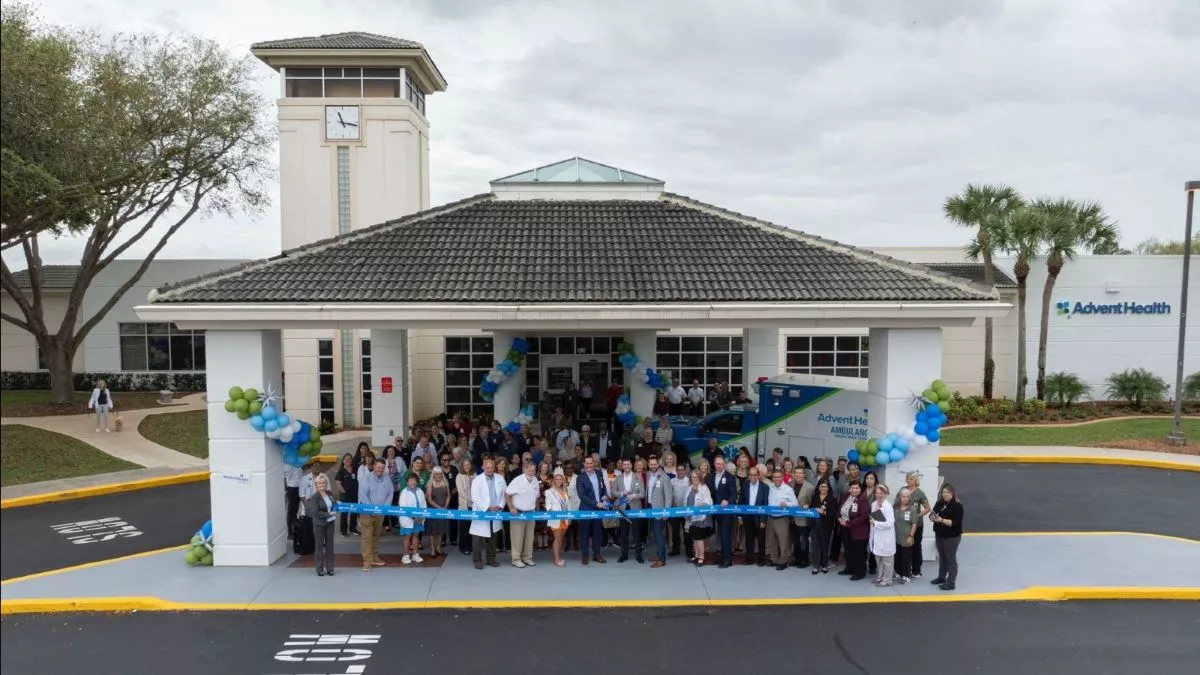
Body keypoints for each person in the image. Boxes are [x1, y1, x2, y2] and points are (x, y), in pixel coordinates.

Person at [469, 458, 506, 570]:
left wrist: (500, 506)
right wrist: (487, 508)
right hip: (482, 512)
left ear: (494, 468)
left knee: (493, 537)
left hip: (495, 512)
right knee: (477, 539)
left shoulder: (500, 479)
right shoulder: (477, 480)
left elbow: (505, 494)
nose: (489, 470)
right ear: (483, 468)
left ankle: (491, 559)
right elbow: (475, 497)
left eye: (491, 467)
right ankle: (477, 560)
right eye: (487, 468)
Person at [358, 459, 393, 571]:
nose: (380, 470)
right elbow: (363, 495)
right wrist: (372, 509)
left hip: (380, 512)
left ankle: (374, 557)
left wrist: (384, 509)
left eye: (382, 468)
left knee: (376, 535)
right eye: (378, 467)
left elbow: (390, 493)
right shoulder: (366, 478)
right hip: (367, 512)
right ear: (374, 466)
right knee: (367, 537)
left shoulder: (387, 478)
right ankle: (367, 561)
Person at [505, 461, 541, 568]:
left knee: (529, 537)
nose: (531, 472)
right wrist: (511, 507)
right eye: (529, 470)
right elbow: (507, 493)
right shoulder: (518, 480)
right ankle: (516, 559)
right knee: (517, 537)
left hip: (531, 513)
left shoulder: (535, 480)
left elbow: (536, 497)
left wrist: (537, 510)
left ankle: (527, 558)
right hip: (518, 513)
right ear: (525, 469)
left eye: (533, 470)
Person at [930, 484, 965, 591]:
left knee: (950, 558)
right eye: (943, 492)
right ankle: (941, 577)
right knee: (942, 557)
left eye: (947, 492)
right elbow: (933, 513)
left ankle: (951, 582)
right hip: (939, 534)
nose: (945, 494)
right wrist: (932, 517)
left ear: (952, 493)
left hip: (951, 537)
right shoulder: (939, 503)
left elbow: (955, 523)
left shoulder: (958, 506)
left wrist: (941, 520)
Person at [576, 455, 609, 565]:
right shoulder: (580, 478)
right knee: (584, 534)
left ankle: (597, 555)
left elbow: (603, 488)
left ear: (594, 464)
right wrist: (596, 503)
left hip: (598, 510)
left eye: (591, 463)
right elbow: (582, 496)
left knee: (597, 533)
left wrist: (604, 496)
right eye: (587, 463)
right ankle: (585, 555)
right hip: (586, 509)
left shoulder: (599, 474)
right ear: (584, 464)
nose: (589, 465)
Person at [613, 458, 646, 564]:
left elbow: (643, 493)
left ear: (631, 465)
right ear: (622, 466)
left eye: (628, 464)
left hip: (635, 507)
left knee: (636, 532)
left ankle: (638, 555)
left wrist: (633, 496)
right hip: (623, 508)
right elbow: (613, 492)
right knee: (623, 533)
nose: (626, 466)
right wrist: (622, 493)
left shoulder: (638, 478)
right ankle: (624, 555)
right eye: (624, 464)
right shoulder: (618, 478)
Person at [900, 471, 932, 578]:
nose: (909, 481)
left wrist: (916, 515)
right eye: (907, 478)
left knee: (916, 547)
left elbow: (927, 508)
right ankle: (905, 569)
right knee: (905, 546)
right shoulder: (903, 490)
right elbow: (897, 503)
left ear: (916, 480)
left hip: (917, 525)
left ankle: (916, 570)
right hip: (905, 524)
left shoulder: (920, 493)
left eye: (911, 479)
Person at [707, 456, 737, 568]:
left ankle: (727, 560)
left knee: (725, 535)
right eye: (717, 463)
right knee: (720, 535)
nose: (719, 466)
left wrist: (728, 501)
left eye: (721, 464)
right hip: (716, 511)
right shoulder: (711, 477)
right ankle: (723, 557)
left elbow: (734, 494)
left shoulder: (730, 477)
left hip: (726, 511)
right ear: (714, 464)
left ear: (724, 464)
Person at [305, 473, 338, 577]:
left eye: (323, 483)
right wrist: (328, 514)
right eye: (319, 483)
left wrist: (338, 505)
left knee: (330, 546)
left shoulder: (329, 493)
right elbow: (315, 512)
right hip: (319, 524)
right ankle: (319, 569)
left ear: (326, 483)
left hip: (330, 523)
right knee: (319, 547)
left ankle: (330, 568)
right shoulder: (314, 497)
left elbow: (333, 505)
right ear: (316, 485)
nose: (322, 485)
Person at [766, 469, 798, 571]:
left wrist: (787, 504)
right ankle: (774, 559)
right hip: (770, 517)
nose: (776, 479)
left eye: (778, 477)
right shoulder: (770, 486)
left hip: (782, 518)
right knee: (772, 540)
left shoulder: (788, 489)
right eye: (774, 477)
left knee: (783, 541)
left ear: (782, 477)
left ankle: (783, 561)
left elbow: (796, 504)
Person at [838, 481, 870, 581]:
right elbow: (839, 509)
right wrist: (839, 518)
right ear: (849, 488)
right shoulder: (845, 496)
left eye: (857, 488)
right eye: (852, 488)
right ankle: (849, 568)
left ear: (860, 489)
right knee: (848, 550)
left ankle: (860, 573)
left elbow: (863, 516)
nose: (854, 490)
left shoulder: (863, 499)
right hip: (845, 529)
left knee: (858, 552)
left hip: (858, 531)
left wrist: (848, 523)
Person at [644, 455, 672, 568]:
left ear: (658, 465)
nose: (653, 466)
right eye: (651, 464)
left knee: (659, 534)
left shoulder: (665, 477)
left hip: (660, 510)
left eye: (655, 464)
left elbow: (669, 497)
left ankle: (662, 559)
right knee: (655, 533)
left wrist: (666, 512)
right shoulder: (649, 474)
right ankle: (658, 554)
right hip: (650, 507)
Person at [739, 465, 770, 566]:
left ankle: (761, 560)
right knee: (749, 539)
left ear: (758, 476)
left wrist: (763, 520)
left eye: (754, 475)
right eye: (750, 475)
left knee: (761, 540)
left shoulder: (765, 487)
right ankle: (749, 559)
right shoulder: (745, 485)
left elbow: (766, 504)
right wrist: (740, 516)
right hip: (747, 517)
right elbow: (741, 502)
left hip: (759, 517)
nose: (752, 477)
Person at [869, 484, 896, 587]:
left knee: (887, 561)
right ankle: (879, 577)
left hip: (886, 537)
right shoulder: (874, 504)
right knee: (879, 558)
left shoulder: (888, 507)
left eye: (881, 493)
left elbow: (890, 523)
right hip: (877, 536)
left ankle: (887, 580)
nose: (879, 495)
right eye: (877, 493)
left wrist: (876, 523)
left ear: (885, 494)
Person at [545, 468, 572, 568]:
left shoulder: (565, 490)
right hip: (556, 519)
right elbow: (548, 505)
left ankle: (559, 557)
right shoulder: (549, 492)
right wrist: (550, 510)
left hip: (565, 518)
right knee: (557, 539)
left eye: (561, 479)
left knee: (561, 540)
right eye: (557, 479)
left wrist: (569, 518)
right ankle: (556, 560)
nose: (559, 481)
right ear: (554, 480)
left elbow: (568, 505)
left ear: (563, 480)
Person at [808, 480, 837, 574]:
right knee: (815, 545)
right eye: (821, 486)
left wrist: (824, 512)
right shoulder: (814, 497)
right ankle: (816, 566)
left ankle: (824, 565)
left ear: (828, 488)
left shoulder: (832, 499)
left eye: (825, 487)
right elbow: (811, 509)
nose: (823, 488)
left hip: (826, 525)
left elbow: (833, 514)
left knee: (825, 545)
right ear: (818, 488)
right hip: (814, 525)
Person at [398, 472, 427, 565]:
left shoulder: (420, 491)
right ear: (407, 482)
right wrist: (413, 517)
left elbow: (424, 504)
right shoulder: (404, 492)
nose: (412, 482)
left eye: (414, 480)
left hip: (419, 519)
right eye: (411, 480)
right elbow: (403, 507)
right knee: (407, 537)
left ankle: (415, 554)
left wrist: (422, 516)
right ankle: (405, 556)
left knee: (416, 536)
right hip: (408, 519)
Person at [686, 470, 713, 566]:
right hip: (691, 517)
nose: (694, 479)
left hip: (701, 518)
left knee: (699, 538)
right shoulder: (689, 487)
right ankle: (696, 555)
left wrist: (704, 504)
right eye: (692, 477)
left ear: (700, 478)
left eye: (696, 477)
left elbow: (710, 502)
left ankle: (701, 556)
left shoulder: (704, 488)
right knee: (694, 538)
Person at [894, 487, 921, 583]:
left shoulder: (912, 509)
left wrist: (911, 536)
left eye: (907, 497)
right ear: (900, 497)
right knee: (898, 556)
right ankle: (898, 573)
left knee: (906, 557)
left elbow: (914, 524)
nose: (905, 498)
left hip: (907, 537)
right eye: (903, 496)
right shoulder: (895, 508)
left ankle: (906, 575)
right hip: (897, 537)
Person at [790, 466, 815, 568]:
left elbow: (813, 503)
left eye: (800, 473)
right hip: (792, 518)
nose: (798, 475)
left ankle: (805, 560)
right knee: (795, 540)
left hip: (804, 519)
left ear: (804, 474)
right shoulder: (790, 485)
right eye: (796, 473)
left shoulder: (810, 487)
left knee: (803, 541)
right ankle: (797, 559)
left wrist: (808, 506)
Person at [425, 467, 451, 558]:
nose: (438, 475)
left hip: (443, 510)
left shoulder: (445, 483)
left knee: (441, 530)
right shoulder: (430, 484)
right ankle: (432, 549)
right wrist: (440, 508)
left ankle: (438, 547)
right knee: (433, 531)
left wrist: (446, 506)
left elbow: (448, 495)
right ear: (433, 474)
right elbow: (429, 500)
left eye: (440, 473)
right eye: (436, 474)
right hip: (433, 511)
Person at [669, 457, 692, 559]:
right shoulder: (672, 481)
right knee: (675, 531)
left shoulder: (689, 481)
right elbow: (669, 495)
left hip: (686, 510)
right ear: (676, 471)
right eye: (678, 470)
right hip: (675, 509)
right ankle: (676, 550)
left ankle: (689, 551)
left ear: (685, 471)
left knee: (687, 531)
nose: (680, 472)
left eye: (682, 470)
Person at [335, 453, 359, 536]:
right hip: (345, 496)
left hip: (355, 495)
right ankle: (343, 530)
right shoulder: (341, 471)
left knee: (354, 512)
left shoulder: (355, 469)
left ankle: (353, 529)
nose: (349, 460)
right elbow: (338, 483)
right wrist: (343, 491)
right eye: (347, 459)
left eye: (350, 459)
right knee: (344, 513)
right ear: (343, 461)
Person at [455, 459, 475, 555]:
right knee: (463, 528)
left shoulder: (475, 475)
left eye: (468, 465)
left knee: (472, 527)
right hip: (464, 506)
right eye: (464, 465)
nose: (466, 467)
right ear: (462, 466)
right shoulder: (459, 476)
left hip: (474, 506)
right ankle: (463, 547)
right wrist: (473, 499)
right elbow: (461, 493)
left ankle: (470, 546)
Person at [284, 462, 304, 539]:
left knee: (295, 511)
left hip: (298, 488)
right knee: (291, 511)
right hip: (292, 488)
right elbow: (286, 476)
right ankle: (289, 533)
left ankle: (295, 530)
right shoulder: (290, 466)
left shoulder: (299, 466)